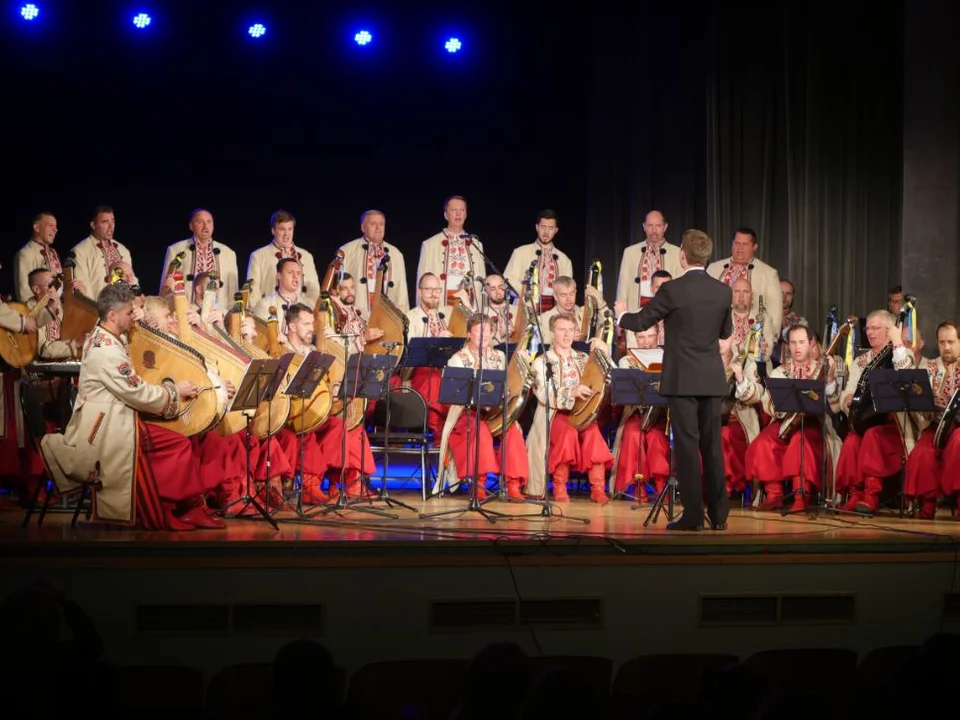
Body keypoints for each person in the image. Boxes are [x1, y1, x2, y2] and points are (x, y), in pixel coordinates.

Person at [40, 283, 205, 530]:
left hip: (108, 418)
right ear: (113, 316)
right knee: (177, 443)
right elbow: (136, 392)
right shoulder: (106, 349)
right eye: (129, 313)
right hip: (104, 429)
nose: (133, 317)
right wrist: (174, 391)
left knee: (172, 438)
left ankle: (180, 506)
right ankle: (164, 509)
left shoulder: (104, 335)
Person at [614, 229, 732, 531]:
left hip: (682, 380)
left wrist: (621, 315)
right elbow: (724, 333)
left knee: (688, 447)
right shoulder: (722, 291)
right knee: (712, 447)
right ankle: (719, 515)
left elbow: (642, 321)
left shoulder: (673, 290)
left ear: (683, 255)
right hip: (710, 378)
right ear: (706, 257)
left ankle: (693, 517)